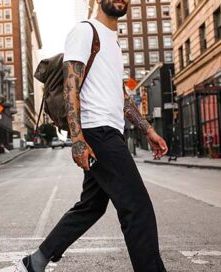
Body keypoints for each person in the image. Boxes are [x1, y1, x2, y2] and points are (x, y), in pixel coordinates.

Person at [16, 1, 168, 271]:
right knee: (137, 208)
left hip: (110, 131)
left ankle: (35, 262)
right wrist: (78, 140)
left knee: (92, 206)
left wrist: (148, 130)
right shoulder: (85, 32)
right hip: (97, 131)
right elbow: (70, 87)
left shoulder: (113, 42)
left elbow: (120, 96)